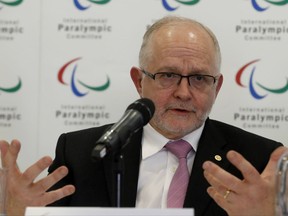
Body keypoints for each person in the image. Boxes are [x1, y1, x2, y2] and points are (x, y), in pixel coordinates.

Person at [0, 15, 284, 216]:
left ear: (217, 86)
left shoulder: (258, 162)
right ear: (139, 81)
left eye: (199, 78)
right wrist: (17, 214)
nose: (184, 93)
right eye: (168, 75)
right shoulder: (82, 152)